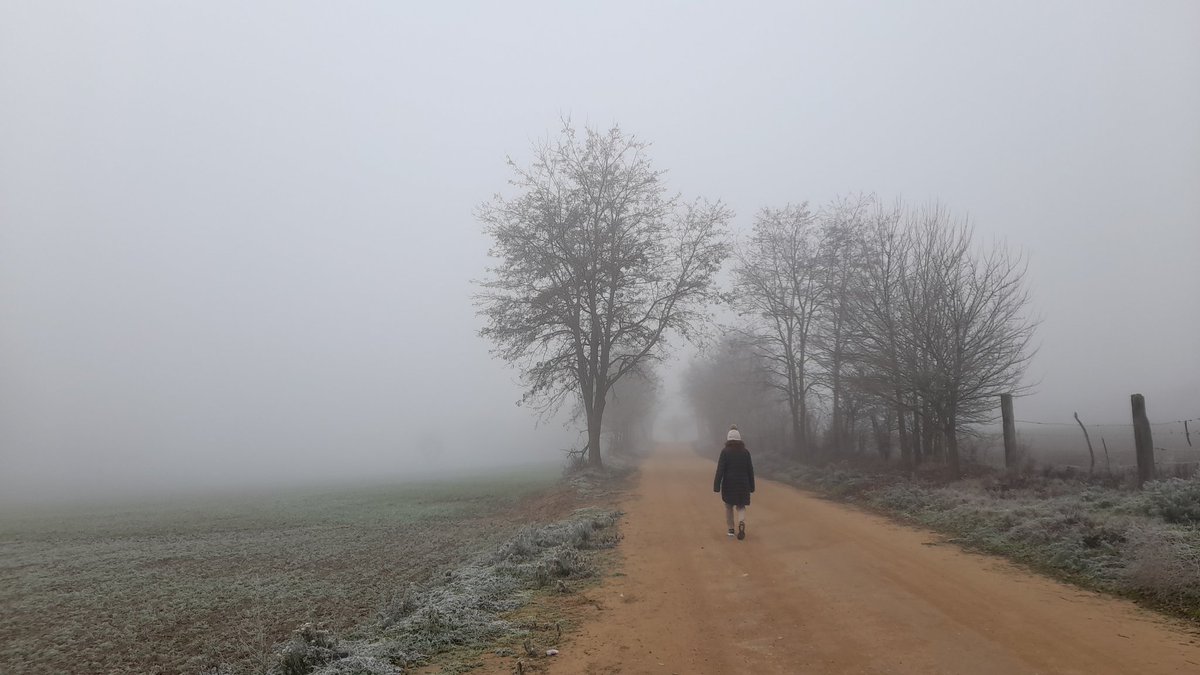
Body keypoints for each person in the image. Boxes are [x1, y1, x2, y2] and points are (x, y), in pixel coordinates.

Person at [713, 424, 755, 540]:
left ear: (728, 438)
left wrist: (716, 485)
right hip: (743, 483)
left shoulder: (725, 452)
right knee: (741, 505)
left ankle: (731, 529)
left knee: (728, 506)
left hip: (729, 483)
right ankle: (741, 521)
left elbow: (720, 469)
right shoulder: (745, 452)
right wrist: (752, 486)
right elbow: (750, 470)